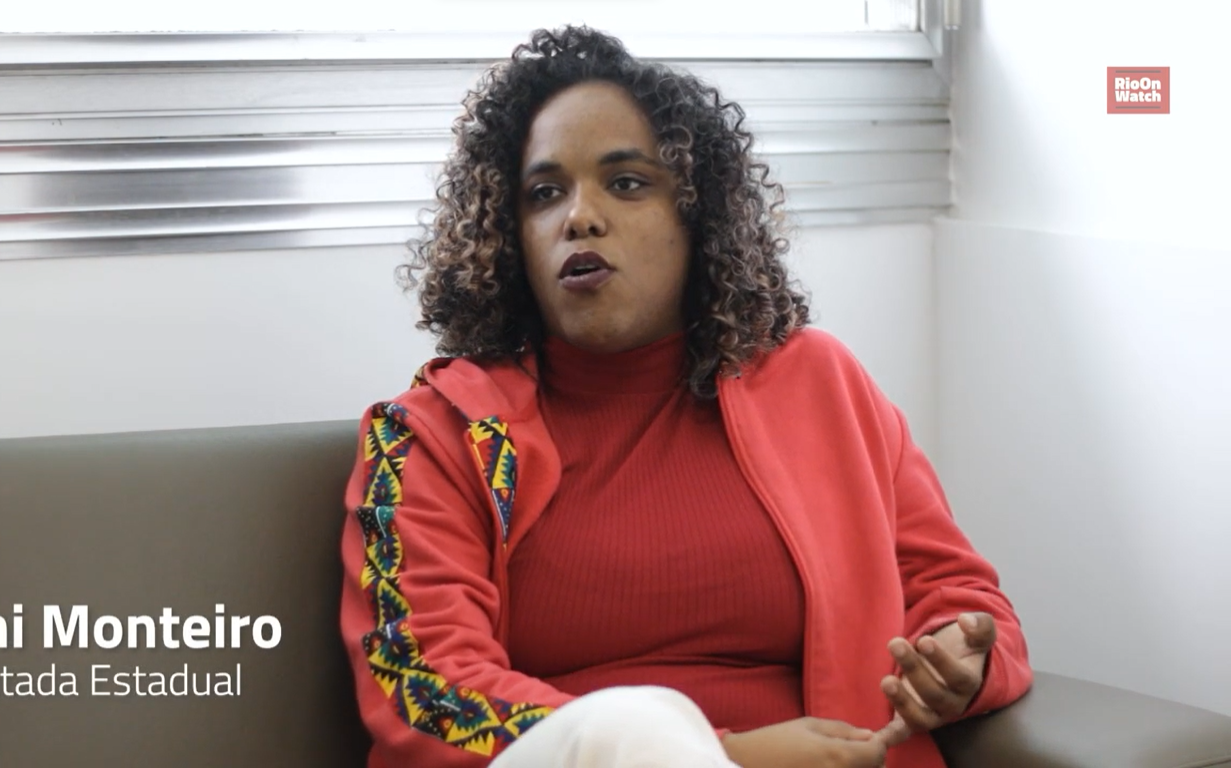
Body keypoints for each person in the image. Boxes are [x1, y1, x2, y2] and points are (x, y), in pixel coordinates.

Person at [339, 25, 1032, 768]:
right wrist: (728, 757)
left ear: (695, 217)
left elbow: (956, 593)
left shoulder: (821, 385)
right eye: (544, 194)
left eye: (627, 183)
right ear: (511, 238)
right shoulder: (435, 435)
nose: (580, 216)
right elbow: (427, 691)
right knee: (627, 726)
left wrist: (957, 658)